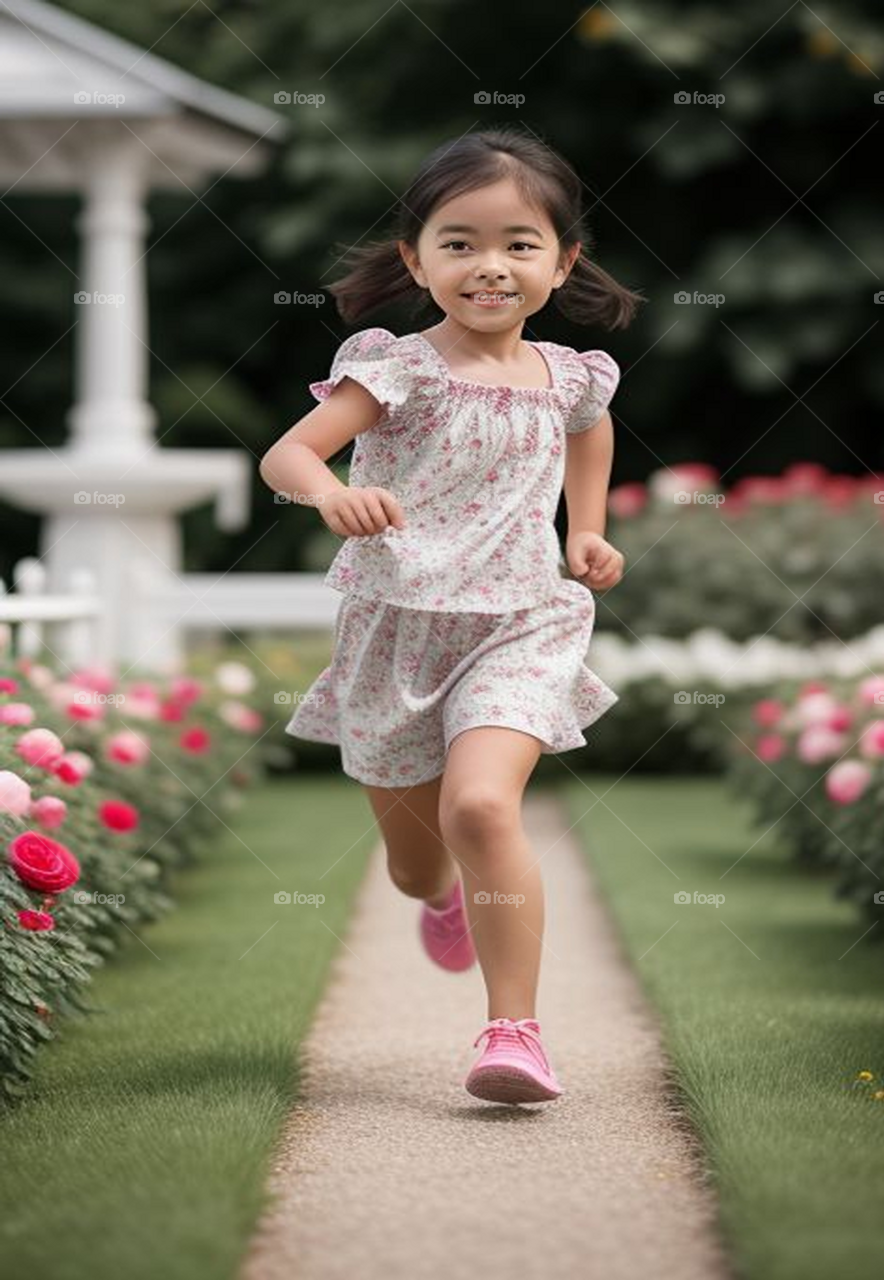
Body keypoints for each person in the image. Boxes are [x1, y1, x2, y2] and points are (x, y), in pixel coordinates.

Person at [259, 126, 644, 1106]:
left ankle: (514, 1030)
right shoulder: (397, 368)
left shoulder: (570, 374)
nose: (490, 265)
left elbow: (589, 439)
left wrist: (585, 532)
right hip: (396, 627)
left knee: (480, 804)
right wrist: (329, 492)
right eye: (460, 240)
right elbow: (288, 455)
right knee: (413, 857)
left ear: (564, 262)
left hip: (522, 619)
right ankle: (439, 898)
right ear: (415, 258)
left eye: (520, 243)